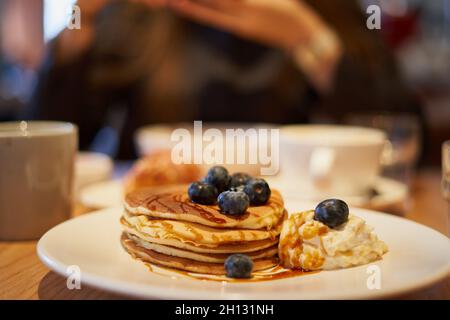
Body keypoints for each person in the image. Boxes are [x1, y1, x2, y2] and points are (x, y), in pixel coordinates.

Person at [27, 0, 423, 158]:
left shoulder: (325, 9)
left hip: (292, 223)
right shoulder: (139, 14)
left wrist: (309, 37)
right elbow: (43, 145)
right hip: (150, 221)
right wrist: (82, 22)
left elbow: (402, 137)